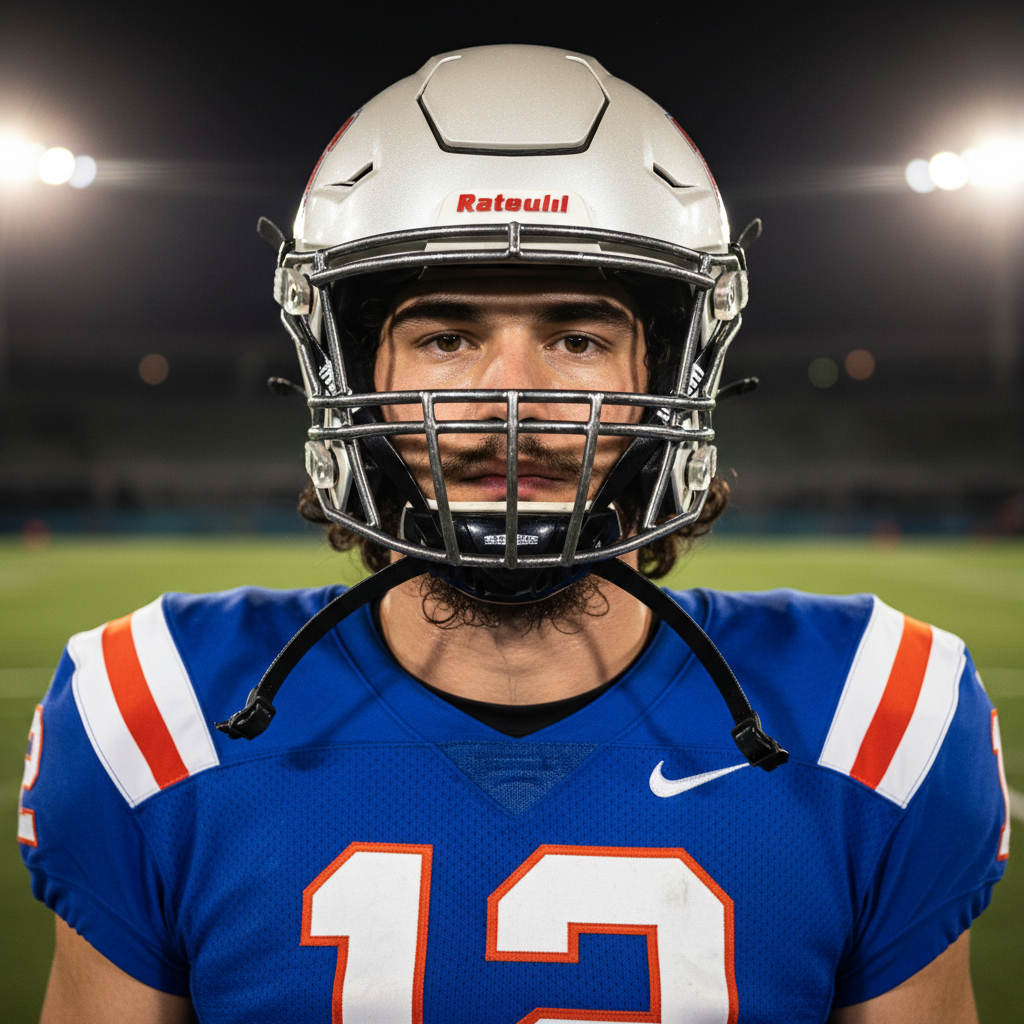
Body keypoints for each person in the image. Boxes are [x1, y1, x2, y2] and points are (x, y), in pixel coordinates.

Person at [19, 44, 1010, 1024]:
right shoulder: (153, 712)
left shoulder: (876, 712)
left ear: (669, 373)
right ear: (352, 375)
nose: (511, 398)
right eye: (445, 337)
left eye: (578, 337)